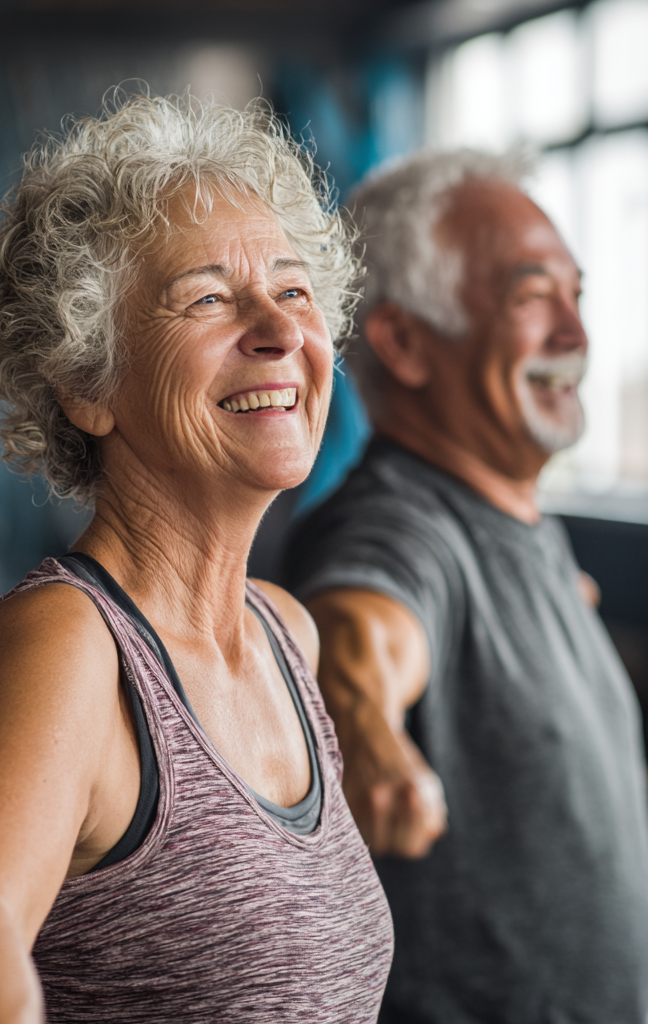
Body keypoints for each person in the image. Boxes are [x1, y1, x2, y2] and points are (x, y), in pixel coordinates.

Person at [0, 95, 394, 1024]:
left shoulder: (288, 635)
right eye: (207, 298)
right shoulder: (65, 648)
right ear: (87, 382)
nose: (280, 332)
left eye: (292, 290)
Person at [283, 149, 648, 1022]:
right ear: (404, 343)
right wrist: (366, 733)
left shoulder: (518, 517)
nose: (576, 334)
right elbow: (356, 630)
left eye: (577, 295)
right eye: (531, 298)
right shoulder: (394, 525)